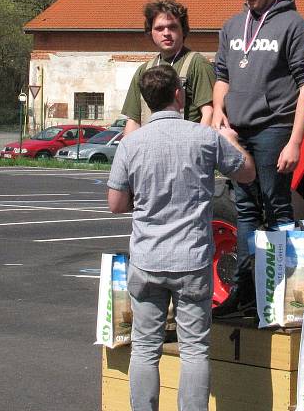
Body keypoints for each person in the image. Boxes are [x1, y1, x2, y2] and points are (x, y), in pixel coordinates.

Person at [107, 64, 255, 411]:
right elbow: (246, 173)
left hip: (148, 259)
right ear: (179, 95)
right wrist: (232, 142)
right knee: (195, 350)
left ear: (146, 101)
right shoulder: (204, 137)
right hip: (191, 258)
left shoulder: (132, 144)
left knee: (145, 347)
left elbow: (115, 203)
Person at [211, 0, 304, 316]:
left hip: (275, 127)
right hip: (237, 130)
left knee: (275, 206)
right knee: (244, 208)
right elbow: (223, 76)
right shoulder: (232, 26)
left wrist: (295, 141)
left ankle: (281, 292)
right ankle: (246, 290)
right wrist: (219, 119)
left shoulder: (294, 26)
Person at [121, 0, 215, 136]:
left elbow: (210, 113)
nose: (166, 33)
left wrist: (198, 149)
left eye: (172, 27)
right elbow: (133, 121)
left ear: (183, 30)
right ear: (150, 32)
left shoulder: (197, 64)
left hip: (185, 147)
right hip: (152, 147)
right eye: (159, 28)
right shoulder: (144, 71)